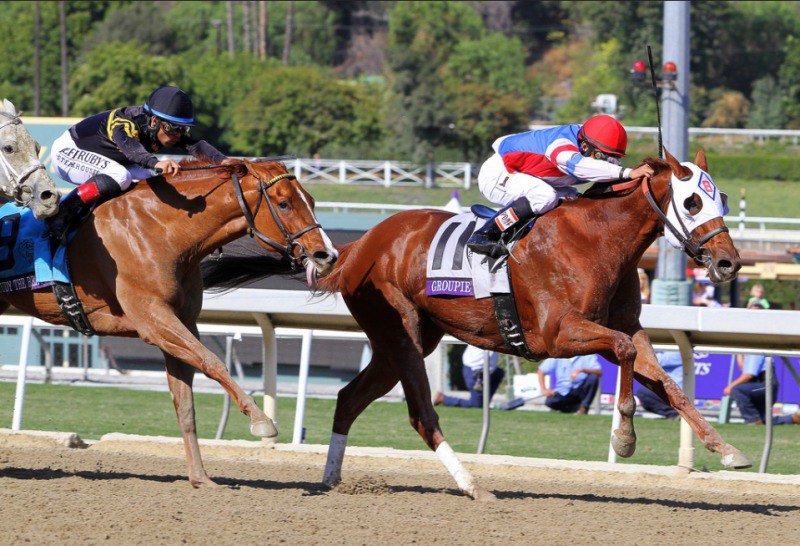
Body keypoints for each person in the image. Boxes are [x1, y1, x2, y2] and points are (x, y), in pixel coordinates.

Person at [47, 85, 228, 241]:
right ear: (154, 121)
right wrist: (155, 163)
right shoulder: (125, 122)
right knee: (121, 177)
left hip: (111, 158)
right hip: (69, 153)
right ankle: (62, 213)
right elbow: (130, 147)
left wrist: (223, 160)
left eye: (182, 129)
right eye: (172, 128)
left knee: (158, 179)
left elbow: (194, 144)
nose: (177, 135)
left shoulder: (163, 128)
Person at [467, 115, 654, 257]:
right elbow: (580, 166)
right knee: (544, 197)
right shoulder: (562, 147)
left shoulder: (588, 140)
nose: (607, 162)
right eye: (601, 156)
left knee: (575, 199)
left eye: (611, 158)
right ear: (585, 145)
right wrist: (627, 173)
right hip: (500, 173)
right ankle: (485, 234)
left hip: (530, 175)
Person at [724, 301, 799, 425]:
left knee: (737, 390)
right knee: (765, 421)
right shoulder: (753, 339)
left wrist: (730, 387)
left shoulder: (759, 339)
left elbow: (749, 375)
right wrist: (739, 354)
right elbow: (746, 369)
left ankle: (752, 421)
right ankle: (794, 418)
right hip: (763, 386)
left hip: (764, 386)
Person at [433, 345, 504, 408]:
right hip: (474, 372)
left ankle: (484, 403)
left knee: (499, 373)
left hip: (487, 371)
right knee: (476, 405)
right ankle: (443, 399)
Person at [538, 354, 602, 414]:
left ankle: (584, 408)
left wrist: (582, 370)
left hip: (580, 390)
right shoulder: (559, 353)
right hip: (563, 391)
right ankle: (568, 409)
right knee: (550, 401)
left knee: (593, 377)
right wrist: (544, 389)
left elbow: (599, 371)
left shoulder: (587, 354)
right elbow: (541, 370)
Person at [635, 352, 681, 419]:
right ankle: (674, 414)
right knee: (645, 399)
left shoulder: (677, 353)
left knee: (642, 392)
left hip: (676, 392)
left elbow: (653, 360)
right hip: (672, 390)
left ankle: (675, 413)